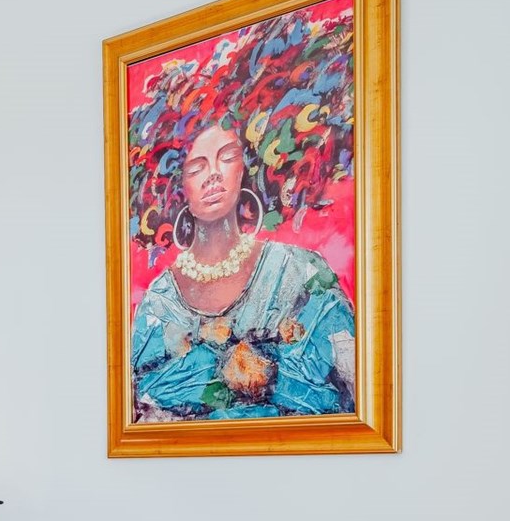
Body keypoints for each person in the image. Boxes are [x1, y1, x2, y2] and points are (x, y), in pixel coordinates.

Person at [130, 121, 356, 421]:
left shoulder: (300, 271)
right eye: (196, 167)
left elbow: (358, 391)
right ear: (176, 185)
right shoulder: (159, 303)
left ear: (246, 168)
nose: (213, 174)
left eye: (227, 157)